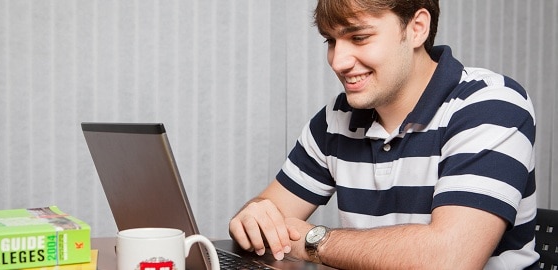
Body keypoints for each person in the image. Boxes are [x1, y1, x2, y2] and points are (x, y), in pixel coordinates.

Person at [228, 0, 539, 269]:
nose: (338, 62)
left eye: (359, 37)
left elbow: (449, 260)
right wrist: (254, 217)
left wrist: (313, 240)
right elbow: (267, 217)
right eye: (331, 41)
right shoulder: (335, 119)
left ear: (417, 28)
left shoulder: (490, 105)